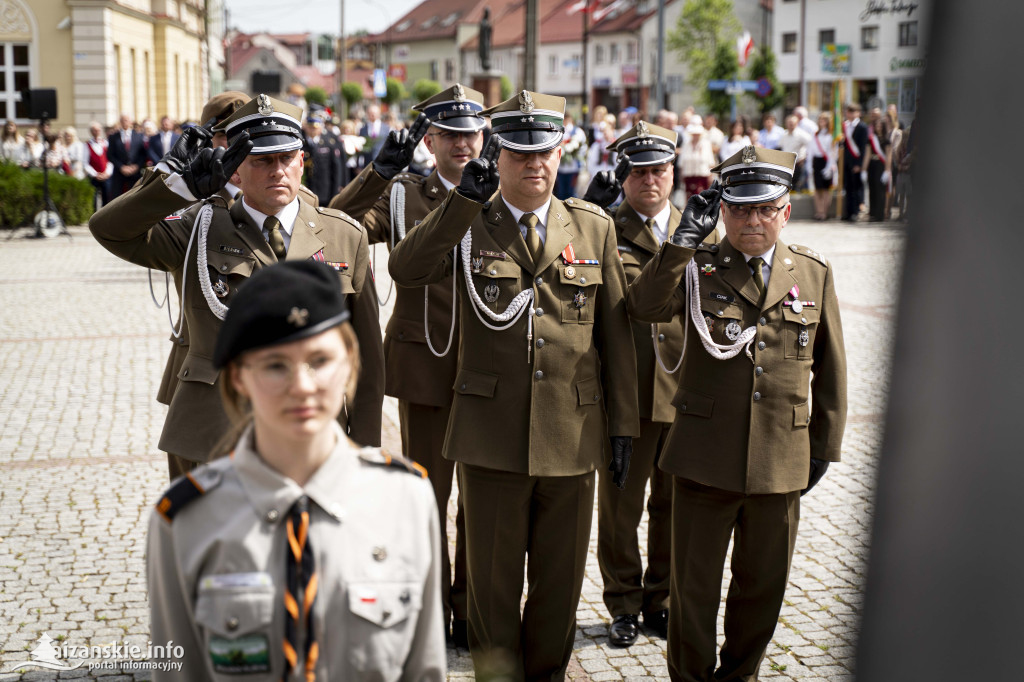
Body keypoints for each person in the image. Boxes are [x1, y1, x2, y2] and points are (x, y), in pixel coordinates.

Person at [389, 90, 639, 680]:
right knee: (492, 596)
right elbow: (407, 269)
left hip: (571, 438)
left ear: (560, 153)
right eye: (521, 152)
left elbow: (616, 340)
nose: (535, 164)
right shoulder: (470, 221)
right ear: (497, 155)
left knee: (557, 594)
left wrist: (624, 426)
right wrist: (460, 205)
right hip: (490, 438)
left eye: (545, 152)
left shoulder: (591, 226)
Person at [147, 260, 446, 681]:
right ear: (238, 378)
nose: (302, 386)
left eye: (320, 360)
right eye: (274, 365)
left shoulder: (406, 498)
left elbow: (425, 670)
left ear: (350, 365)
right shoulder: (185, 519)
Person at [626, 145, 847, 682]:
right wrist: (678, 246)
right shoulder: (697, 266)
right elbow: (644, 307)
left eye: (765, 208)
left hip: (780, 459)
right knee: (693, 592)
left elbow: (832, 367)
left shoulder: (812, 273)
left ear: (785, 211)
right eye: (742, 208)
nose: (753, 220)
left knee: (763, 588)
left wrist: (823, 447)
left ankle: (740, 676)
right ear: (723, 211)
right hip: (705, 459)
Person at [89, 93, 385, 482]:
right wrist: (174, 185)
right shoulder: (199, 226)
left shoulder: (343, 235)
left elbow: (366, 355)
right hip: (214, 431)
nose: (277, 170)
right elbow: (108, 230)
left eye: (285, 158)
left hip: (311, 430)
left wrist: (361, 446)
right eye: (262, 161)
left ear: (301, 162)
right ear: (235, 172)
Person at [329, 83, 485, 648]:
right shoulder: (402, 195)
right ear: (432, 139)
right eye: (450, 134)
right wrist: (374, 173)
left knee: (484, 502)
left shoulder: (497, 191)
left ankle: (472, 611)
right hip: (426, 363)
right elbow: (327, 227)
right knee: (428, 498)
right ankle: (433, 613)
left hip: (492, 370)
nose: (462, 143)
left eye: (471, 133)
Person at [582, 121, 717, 649]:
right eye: (639, 171)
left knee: (673, 506)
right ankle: (622, 602)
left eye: (659, 168)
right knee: (621, 507)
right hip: (628, 390)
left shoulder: (700, 227)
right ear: (624, 175)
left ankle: (661, 598)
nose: (651, 180)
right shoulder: (604, 230)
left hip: (683, 392)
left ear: (674, 170)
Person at [302, 108, 343, 206]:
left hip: (324, 192)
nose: (312, 130)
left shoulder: (328, 143)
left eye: (315, 128)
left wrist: (335, 193)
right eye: (310, 127)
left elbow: (336, 169)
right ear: (305, 127)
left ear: (321, 128)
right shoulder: (301, 143)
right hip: (305, 191)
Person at [840, 102, 868, 221]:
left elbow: (862, 147)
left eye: (852, 111)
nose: (849, 113)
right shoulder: (844, 126)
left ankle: (855, 212)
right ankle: (848, 211)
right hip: (846, 161)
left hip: (856, 161)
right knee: (847, 187)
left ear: (858, 113)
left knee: (856, 187)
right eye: (848, 111)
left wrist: (859, 164)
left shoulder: (862, 127)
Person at [808, 112, 838, 221]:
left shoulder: (831, 135)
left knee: (826, 189)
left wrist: (830, 166)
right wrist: (809, 165)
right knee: (817, 189)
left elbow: (833, 152)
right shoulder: (815, 134)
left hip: (827, 162)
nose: (822, 122)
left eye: (824, 120)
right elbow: (810, 150)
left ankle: (825, 212)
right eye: (820, 120)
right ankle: (818, 212)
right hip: (817, 161)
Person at [108, 113, 146, 197]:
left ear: (130, 122)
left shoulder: (139, 136)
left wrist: (137, 166)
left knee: (135, 197)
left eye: (126, 120)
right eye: (122, 120)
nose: (124, 122)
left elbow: (143, 154)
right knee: (116, 198)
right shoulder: (113, 137)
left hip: (135, 173)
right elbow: (110, 155)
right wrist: (121, 167)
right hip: (119, 173)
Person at [865, 107, 892, 221]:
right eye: (876, 126)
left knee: (880, 190)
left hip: (881, 166)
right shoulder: (871, 139)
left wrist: (887, 170)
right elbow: (867, 155)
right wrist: (863, 169)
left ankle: (880, 214)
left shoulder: (886, 140)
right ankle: (872, 213)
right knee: (872, 189)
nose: (878, 128)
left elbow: (889, 156)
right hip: (872, 164)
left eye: (880, 126)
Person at [678, 122, 716, 200]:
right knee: (689, 198)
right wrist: (681, 175)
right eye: (694, 134)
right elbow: (681, 162)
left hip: (703, 176)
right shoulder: (686, 144)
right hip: (689, 176)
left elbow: (711, 162)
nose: (696, 136)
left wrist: (711, 176)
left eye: (697, 134)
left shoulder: (706, 144)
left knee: (702, 198)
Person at [555, 112, 588, 200]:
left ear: (570, 119)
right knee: (561, 192)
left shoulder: (577, 132)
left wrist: (572, 152)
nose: (564, 122)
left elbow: (583, 148)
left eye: (566, 119)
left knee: (571, 192)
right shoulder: (558, 131)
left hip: (573, 168)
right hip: (561, 168)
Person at [83, 122, 113, 206]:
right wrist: (95, 174)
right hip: (94, 177)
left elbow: (110, 160)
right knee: (93, 201)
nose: (96, 132)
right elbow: (85, 163)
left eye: (98, 130)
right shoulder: (87, 145)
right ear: (91, 132)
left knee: (107, 199)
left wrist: (107, 173)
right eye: (94, 130)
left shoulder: (106, 143)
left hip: (106, 176)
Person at [779, 114, 811, 191]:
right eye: (789, 123)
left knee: (797, 186)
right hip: (786, 165)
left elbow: (811, 145)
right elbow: (780, 146)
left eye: (793, 123)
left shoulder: (801, 134)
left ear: (796, 123)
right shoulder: (784, 134)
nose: (791, 124)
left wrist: (805, 156)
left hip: (798, 164)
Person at [359, 104, 390, 169]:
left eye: (375, 113)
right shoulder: (363, 129)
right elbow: (360, 148)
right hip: (367, 164)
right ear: (367, 114)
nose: (373, 115)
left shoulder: (386, 128)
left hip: (382, 164)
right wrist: (358, 165)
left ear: (379, 114)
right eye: (370, 113)